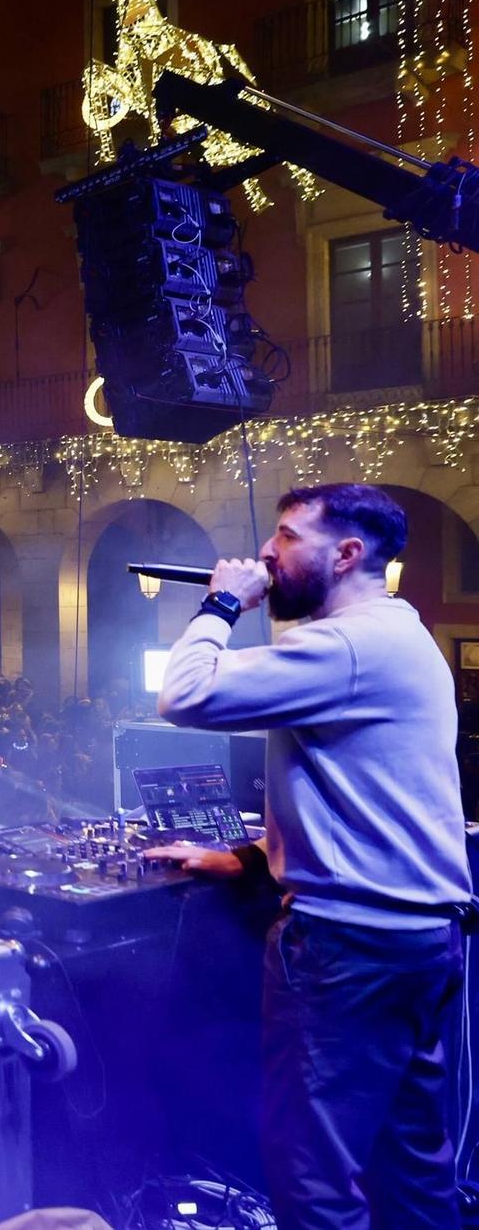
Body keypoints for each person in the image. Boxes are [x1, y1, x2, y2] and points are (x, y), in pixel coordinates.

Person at [144, 483, 471, 1228]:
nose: (264, 553)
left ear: (348, 553)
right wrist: (251, 857)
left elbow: (185, 694)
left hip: (347, 950)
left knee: (313, 1176)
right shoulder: (401, 636)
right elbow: (369, 796)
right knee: (410, 1167)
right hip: (414, 942)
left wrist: (224, 602)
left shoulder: (344, 645)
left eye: (288, 537)